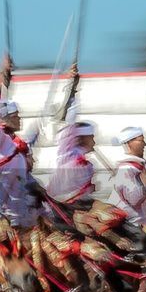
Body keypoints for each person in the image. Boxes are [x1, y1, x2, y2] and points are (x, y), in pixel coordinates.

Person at [0, 56, 39, 228]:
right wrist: (0, 89)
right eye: (14, 116)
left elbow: (24, 182)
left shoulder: (18, 145)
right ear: (2, 121)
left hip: (20, 216)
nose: (19, 119)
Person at [46, 65, 99, 206]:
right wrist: (72, 86)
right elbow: (71, 118)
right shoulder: (67, 154)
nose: (94, 141)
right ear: (81, 138)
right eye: (91, 137)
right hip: (60, 208)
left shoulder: (88, 165)